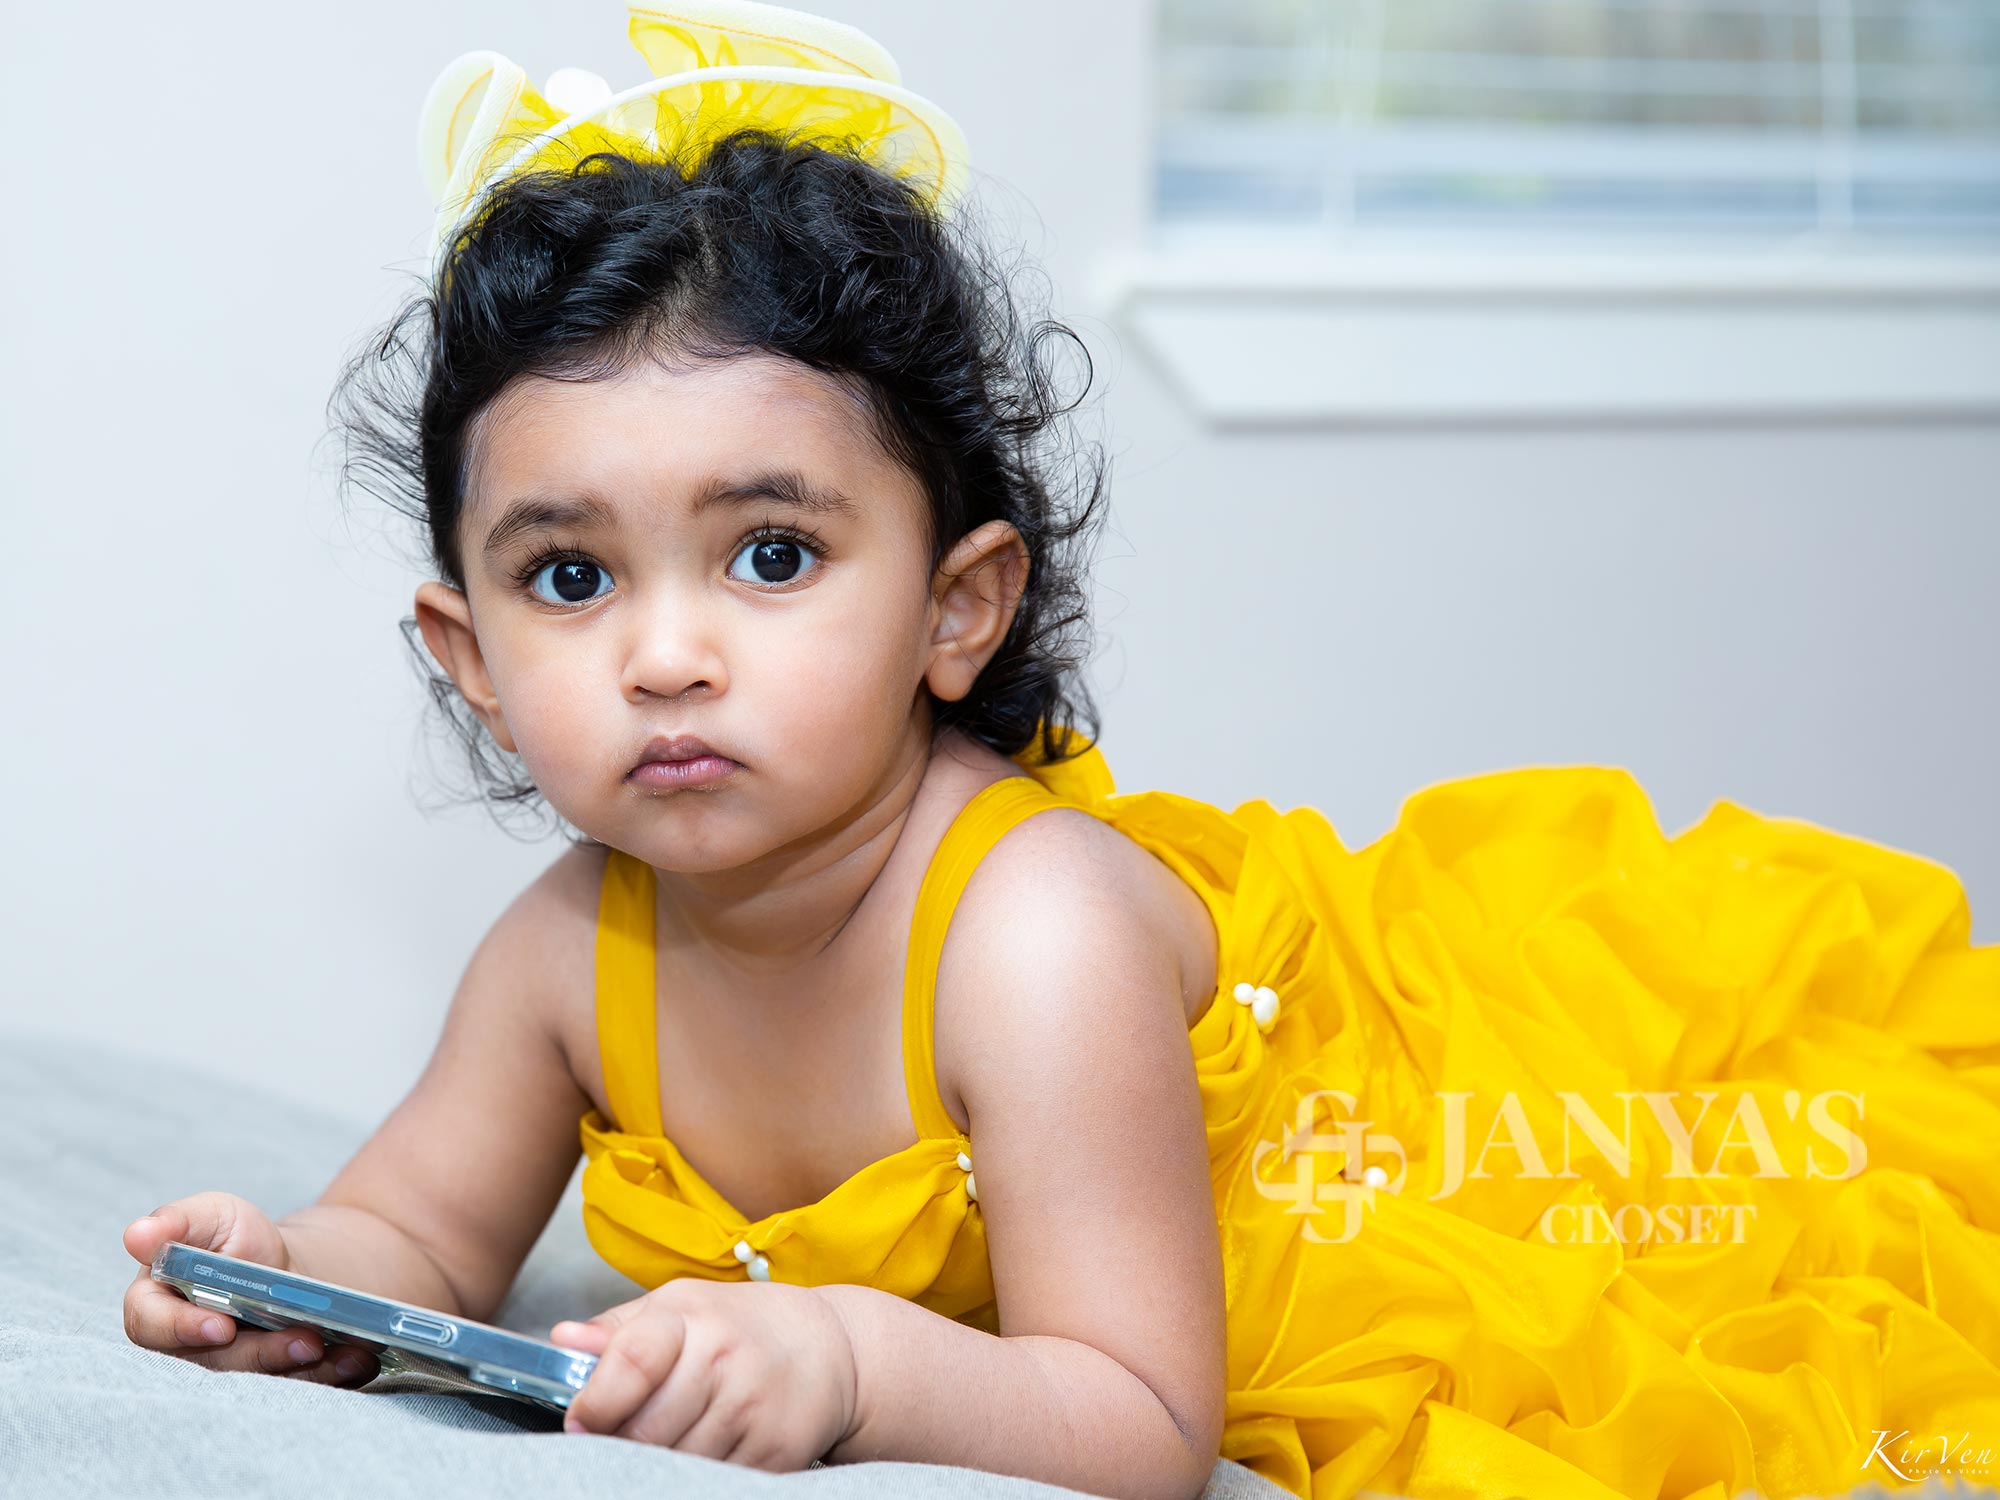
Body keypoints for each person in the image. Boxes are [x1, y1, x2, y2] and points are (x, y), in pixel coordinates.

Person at [121, 4, 2000, 1498]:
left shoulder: (1031, 937)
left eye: (771, 555)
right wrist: (294, 1283)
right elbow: (424, 1233)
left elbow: (1136, 1415)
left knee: (1749, 1255)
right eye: (569, 575)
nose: (668, 652)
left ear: (960, 607)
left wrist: (857, 1366)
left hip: (1394, 1162)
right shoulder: (562, 955)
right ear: (465, 651)